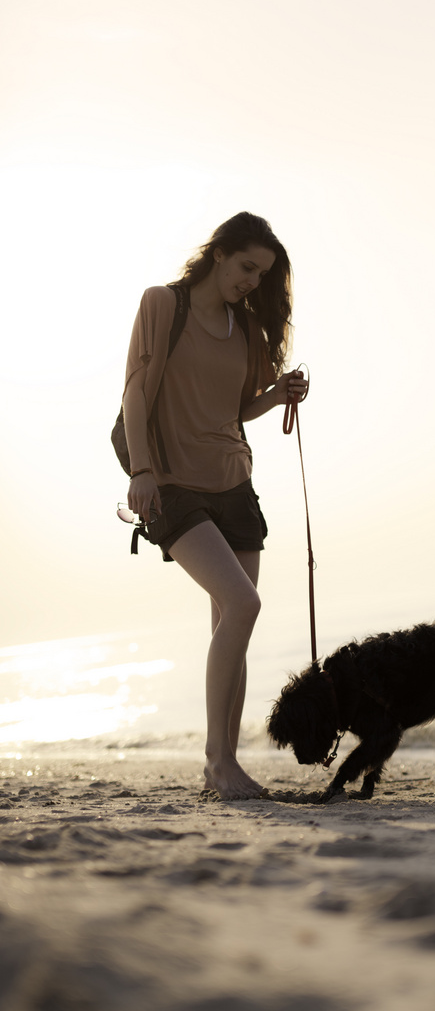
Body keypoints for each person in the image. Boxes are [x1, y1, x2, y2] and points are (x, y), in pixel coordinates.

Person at [122, 211, 307, 800]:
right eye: (247, 266)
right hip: (173, 483)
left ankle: (224, 766)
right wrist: (144, 472)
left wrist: (277, 395)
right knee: (243, 603)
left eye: (262, 275)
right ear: (220, 253)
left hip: (234, 484)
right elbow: (135, 391)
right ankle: (218, 761)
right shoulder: (163, 305)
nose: (252, 281)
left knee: (233, 623)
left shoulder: (246, 328)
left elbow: (238, 408)